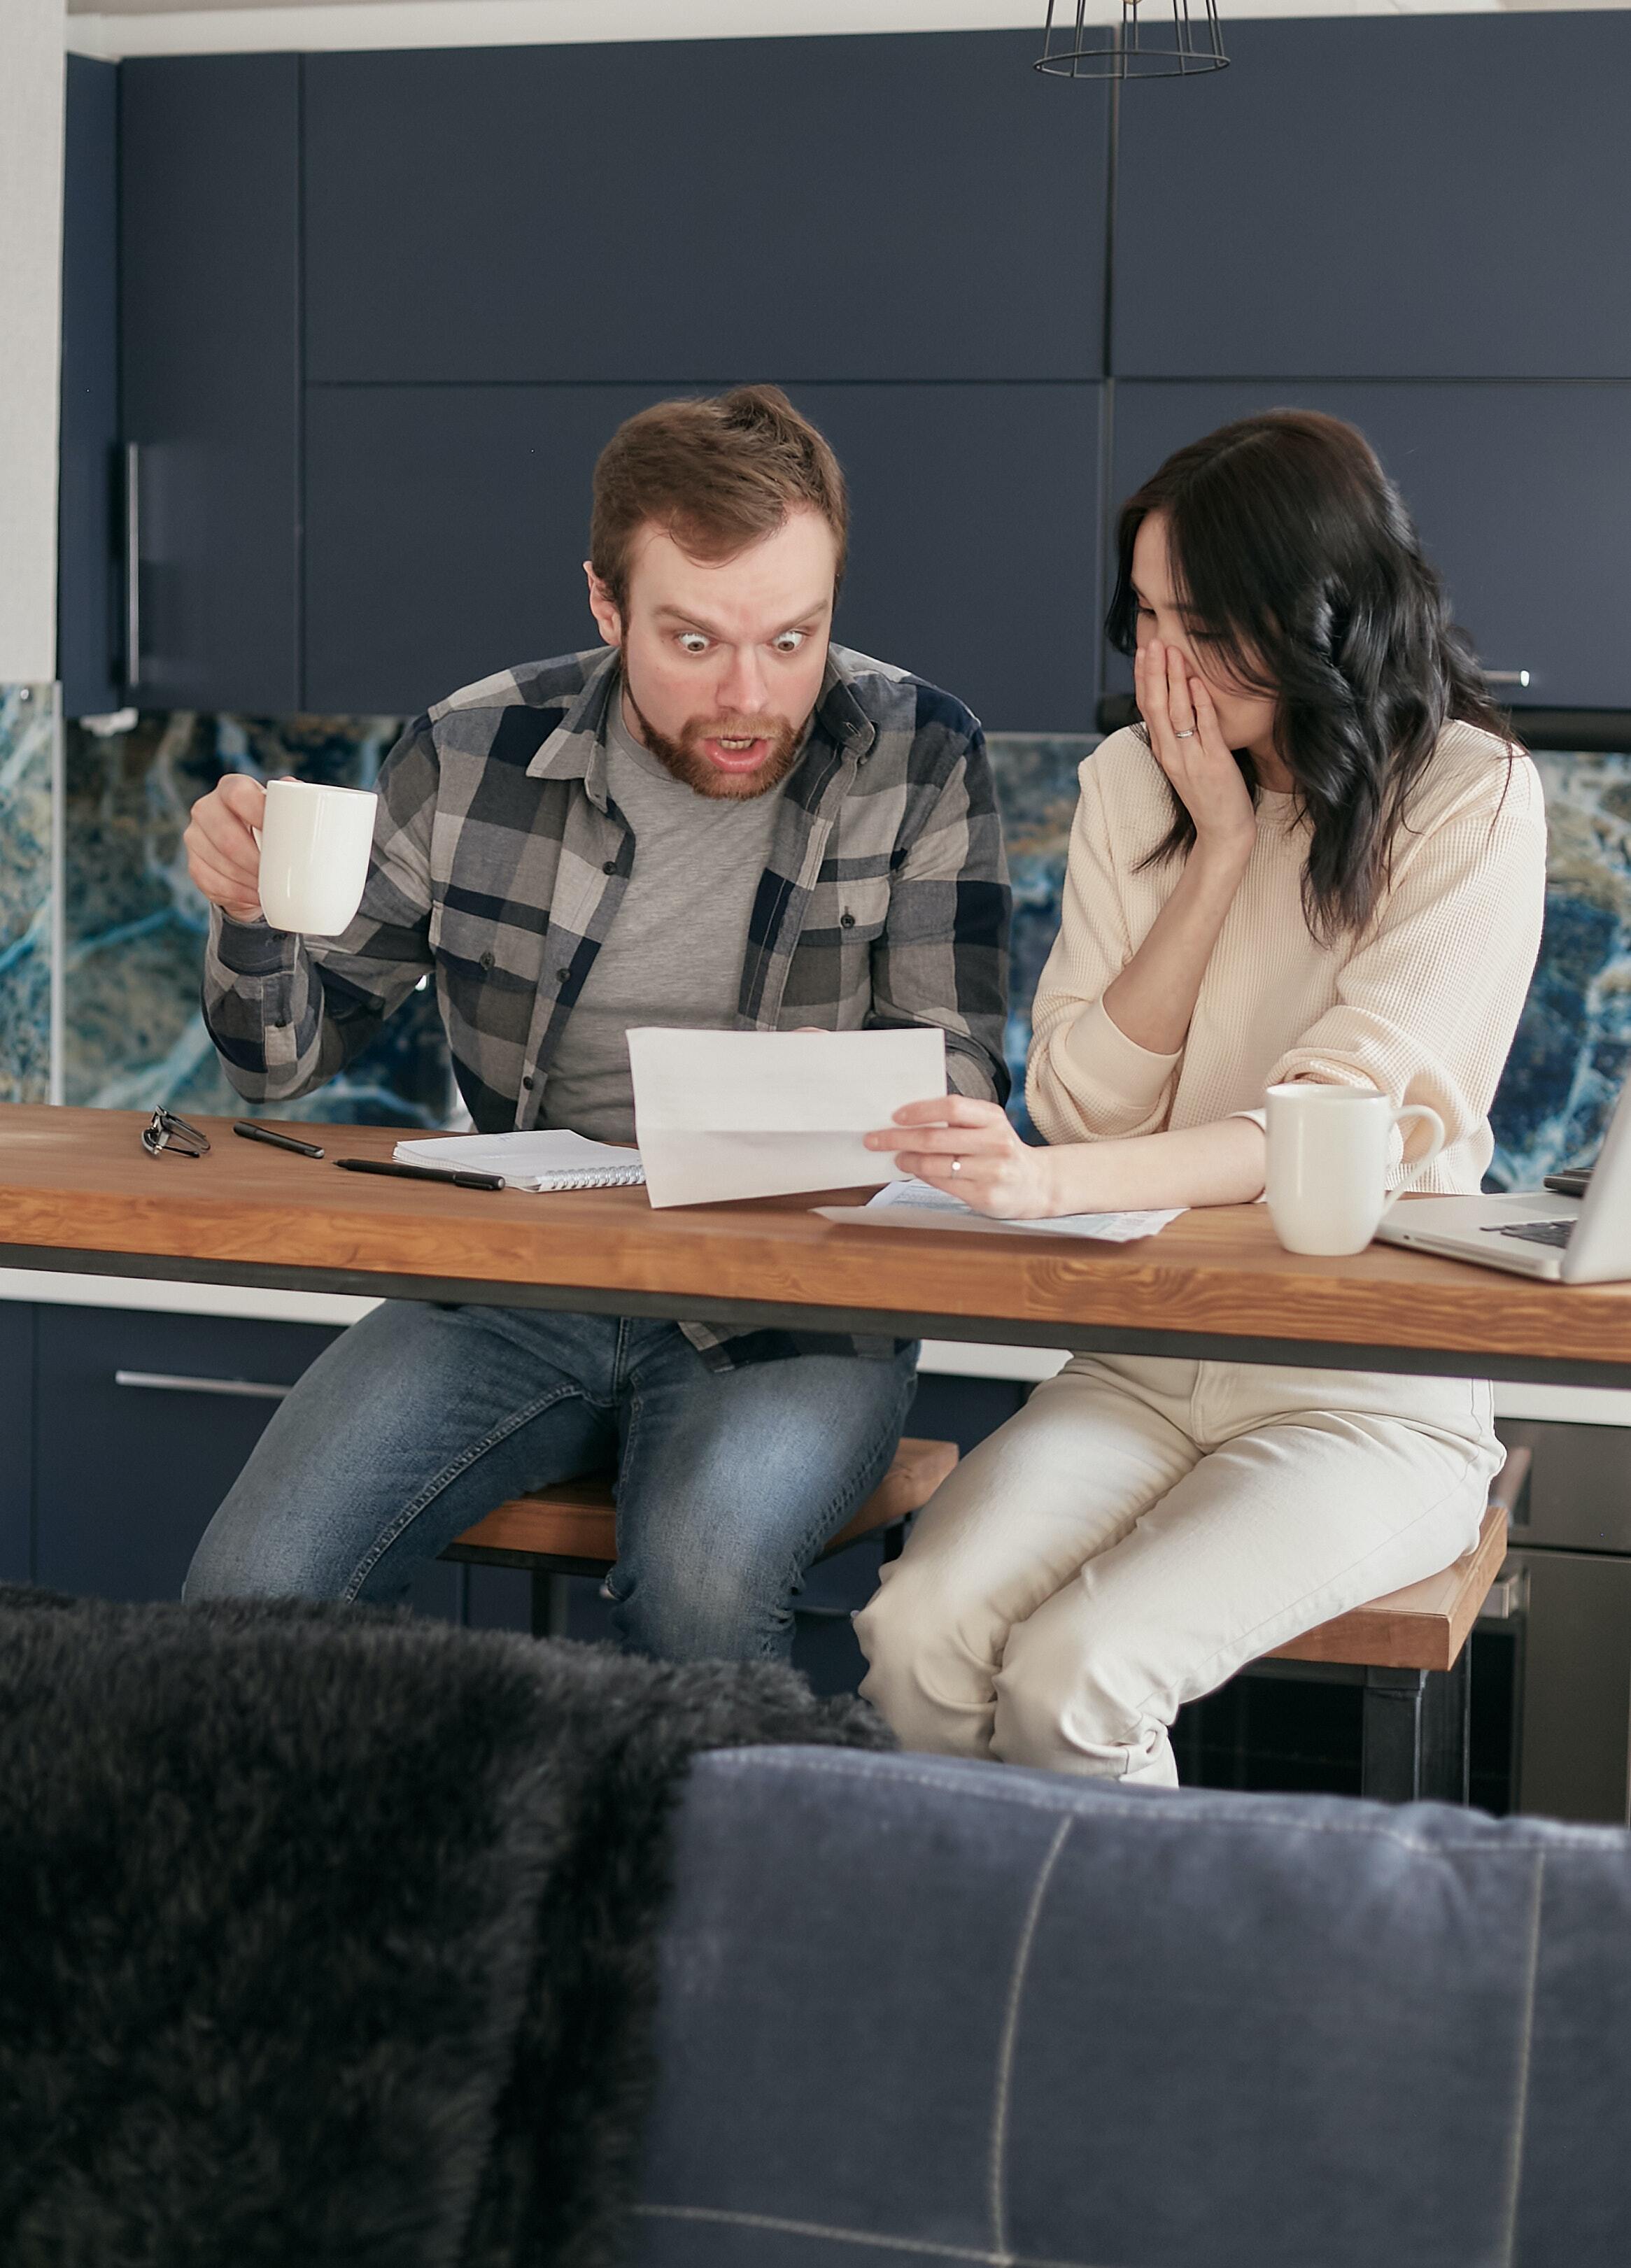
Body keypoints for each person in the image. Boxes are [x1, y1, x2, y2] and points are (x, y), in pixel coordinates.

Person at [182, 385, 1010, 1659]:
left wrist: (841, 1090)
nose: (750, 695)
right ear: (604, 603)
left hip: (796, 1295)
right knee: (246, 1590)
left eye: (794, 639)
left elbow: (961, 1066)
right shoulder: (471, 753)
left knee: (699, 1588)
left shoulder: (918, 751)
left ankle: (751, 1864)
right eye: (694, 643)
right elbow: (280, 1065)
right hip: (524, 1280)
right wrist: (252, 915)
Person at [855, 409, 1546, 1783]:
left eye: (1206, 622)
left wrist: (1043, 1187)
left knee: (1078, 1678)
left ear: (1320, 612)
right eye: (1148, 617)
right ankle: (987, 1985)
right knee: (914, 1634)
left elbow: (1326, 1129)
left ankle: (1130, 1999)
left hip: (1365, 1390)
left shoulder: (1472, 798)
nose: (1162, 662)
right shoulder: (1134, 786)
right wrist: (1216, 846)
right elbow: (1089, 1108)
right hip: (1143, 1356)